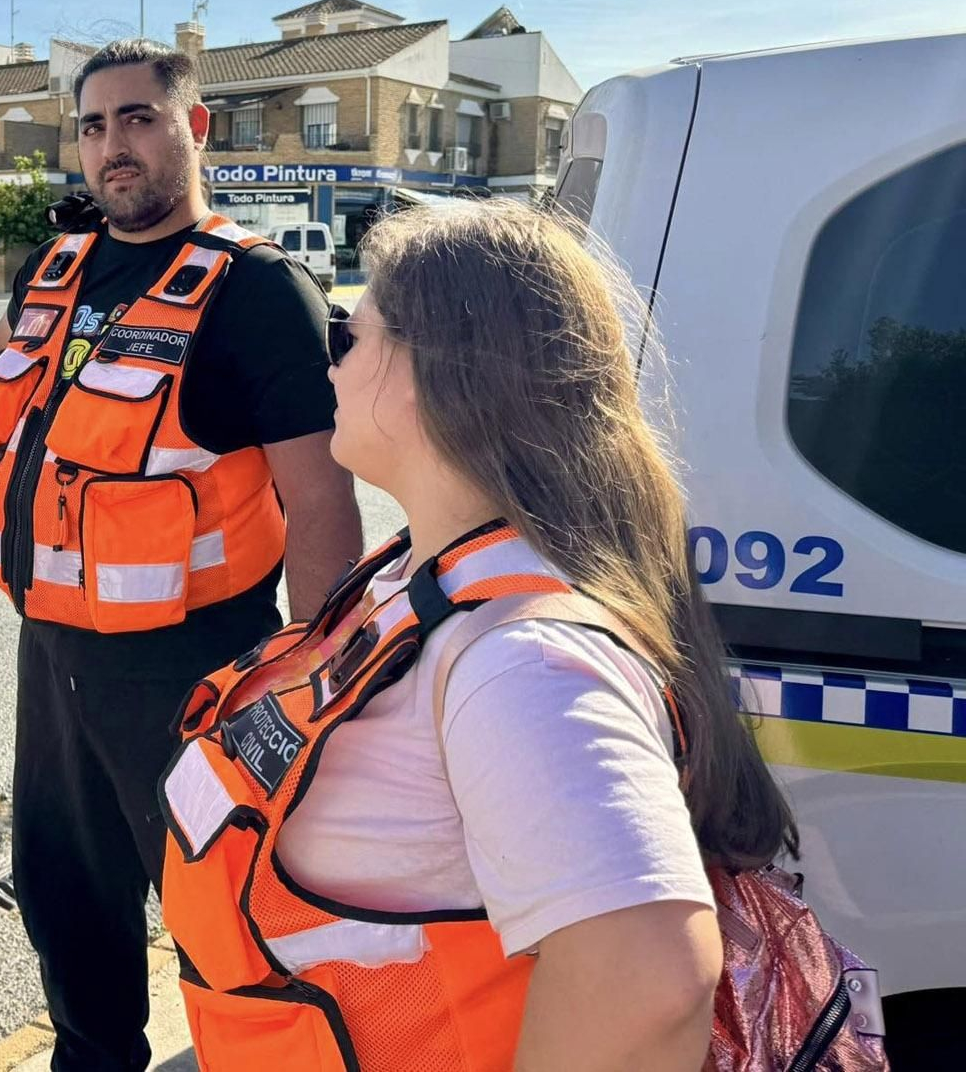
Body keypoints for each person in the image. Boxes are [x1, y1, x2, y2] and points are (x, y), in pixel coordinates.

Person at [158, 200, 799, 1071]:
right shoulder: (423, 575)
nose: (330, 361)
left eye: (349, 332)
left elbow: (648, 983)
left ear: (434, 371)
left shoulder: (521, 661)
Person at [0, 39, 362, 1070]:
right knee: (67, 907)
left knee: (232, 922)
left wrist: (308, 690)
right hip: (53, 660)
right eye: (92, 126)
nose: (111, 147)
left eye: (137, 119)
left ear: (194, 129)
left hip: (195, 670)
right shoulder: (55, 268)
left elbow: (320, 497)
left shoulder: (259, 291)